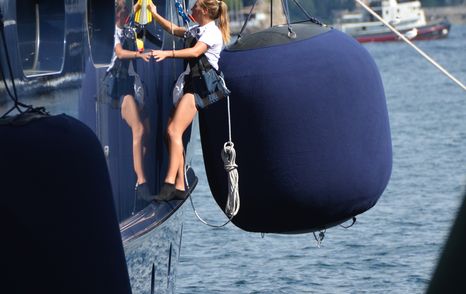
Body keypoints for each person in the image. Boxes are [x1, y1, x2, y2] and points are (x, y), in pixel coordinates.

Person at [146, 0, 230, 201]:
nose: (190, 7)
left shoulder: (211, 32)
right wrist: (154, 14)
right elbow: (174, 29)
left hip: (199, 89)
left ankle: (168, 185)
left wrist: (167, 53)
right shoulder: (197, 29)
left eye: (194, 5)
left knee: (173, 131)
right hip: (191, 85)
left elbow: (195, 52)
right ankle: (180, 185)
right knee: (171, 135)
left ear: (203, 10)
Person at [108, 1, 153, 201]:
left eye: (126, 10)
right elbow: (119, 52)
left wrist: (143, 10)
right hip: (118, 86)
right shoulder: (112, 33)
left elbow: (141, 40)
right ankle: (140, 182)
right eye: (122, 10)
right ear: (116, 13)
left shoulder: (127, 30)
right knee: (139, 129)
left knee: (147, 132)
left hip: (130, 83)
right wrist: (137, 54)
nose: (125, 13)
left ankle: (136, 171)